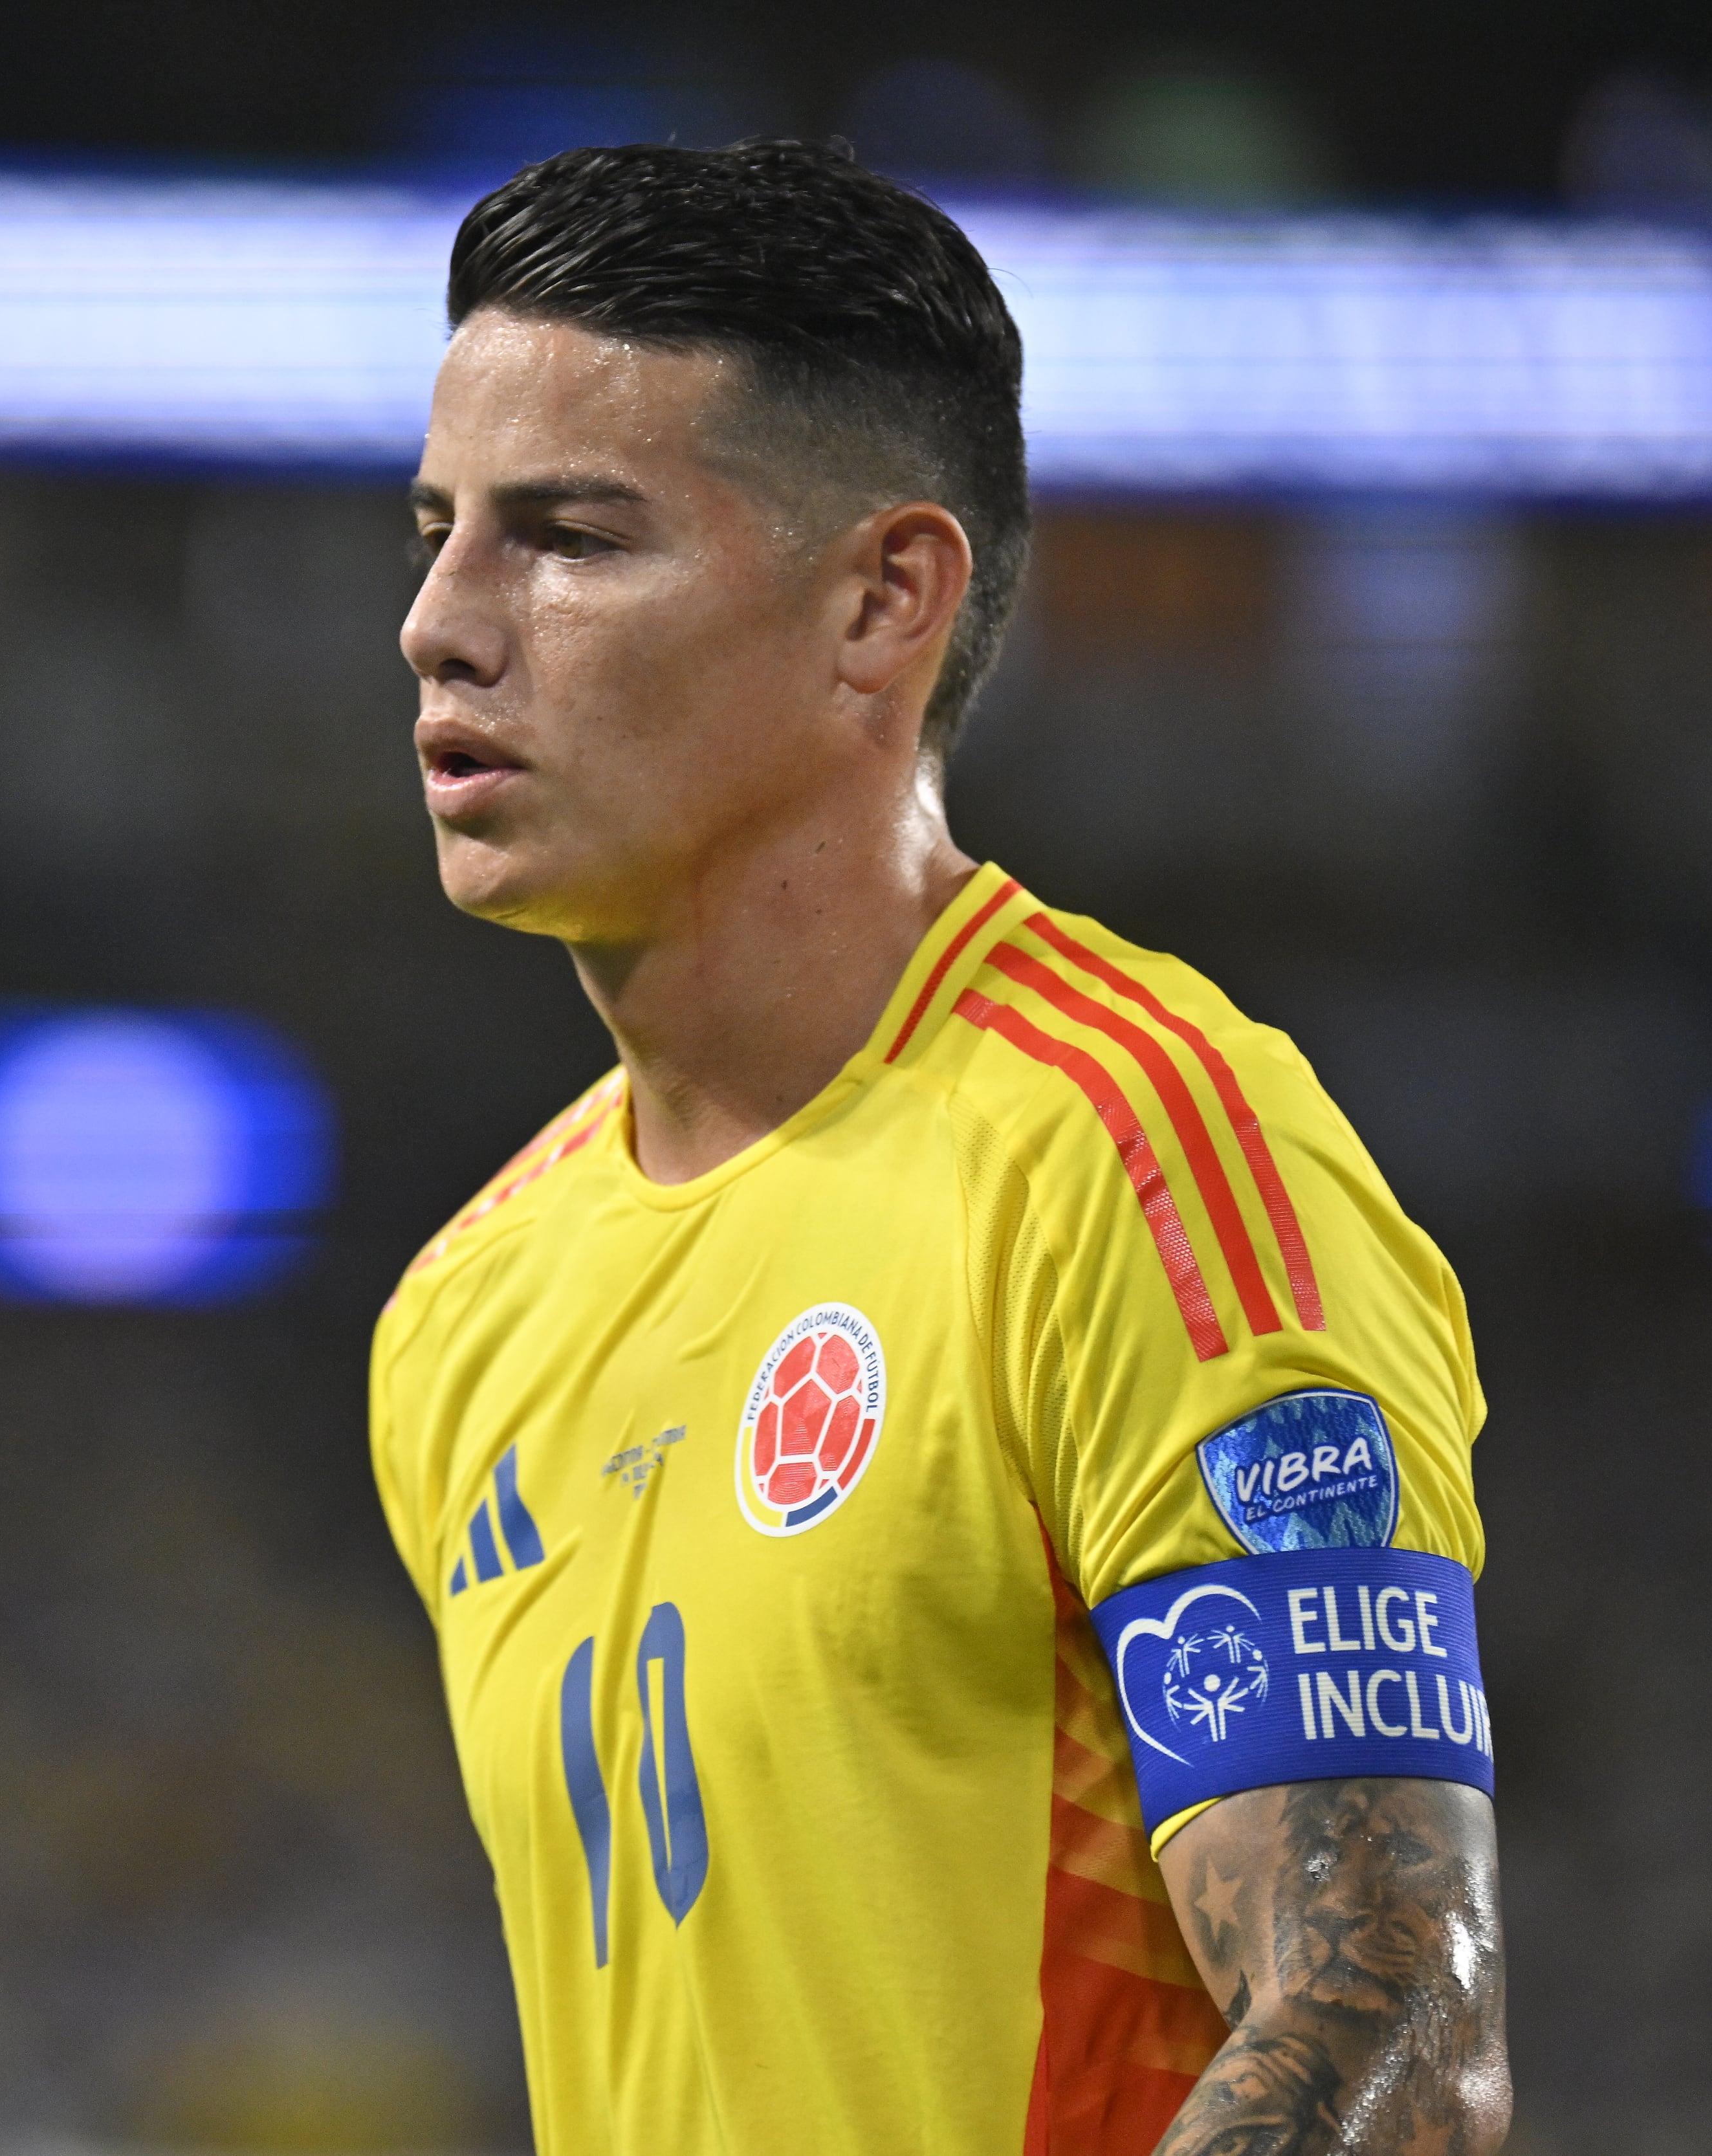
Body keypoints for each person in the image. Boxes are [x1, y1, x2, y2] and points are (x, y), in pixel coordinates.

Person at [370, 140, 1508, 2155]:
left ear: (883, 601)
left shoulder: (1139, 1158)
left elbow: (1396, 2023)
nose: (440, 626)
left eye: (568, 536)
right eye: (438, 530)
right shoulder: (462, 1316)